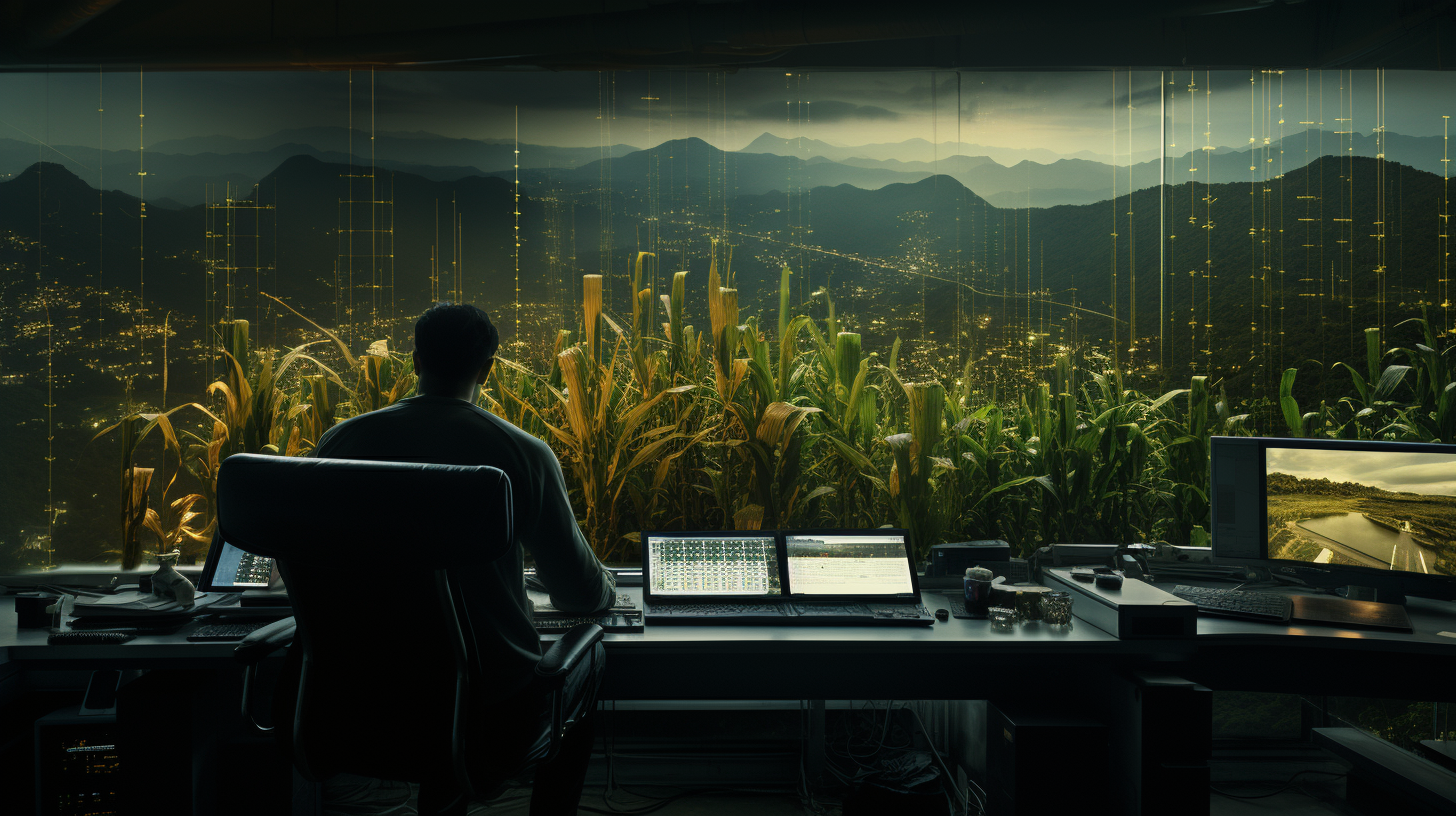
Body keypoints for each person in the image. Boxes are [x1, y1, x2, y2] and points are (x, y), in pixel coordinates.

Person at [313, 302, 613, 815]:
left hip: (361, 704)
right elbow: (579, 594)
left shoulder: (341, 442)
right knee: (593, 654)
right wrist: (605, 585)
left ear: (414, 361)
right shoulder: (521, 452)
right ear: (487, 369)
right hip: (487, 713)